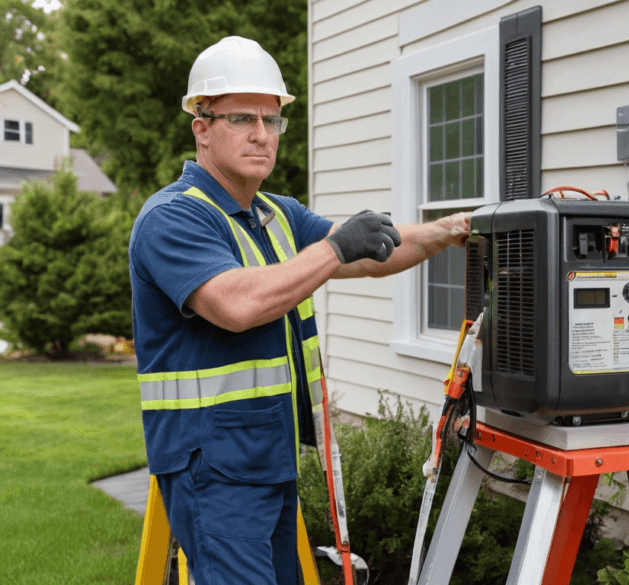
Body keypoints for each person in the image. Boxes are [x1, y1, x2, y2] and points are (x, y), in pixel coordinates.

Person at [128, 36, 469, 584]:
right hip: (212, 470)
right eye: (243, 118)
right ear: (201, 126)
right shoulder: (173, 218)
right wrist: (335, 247)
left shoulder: (274, 214)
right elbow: (237, 303)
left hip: (267, 458)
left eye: (272, 120)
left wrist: (450, 232)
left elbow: (376, 248)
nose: (262, 135)